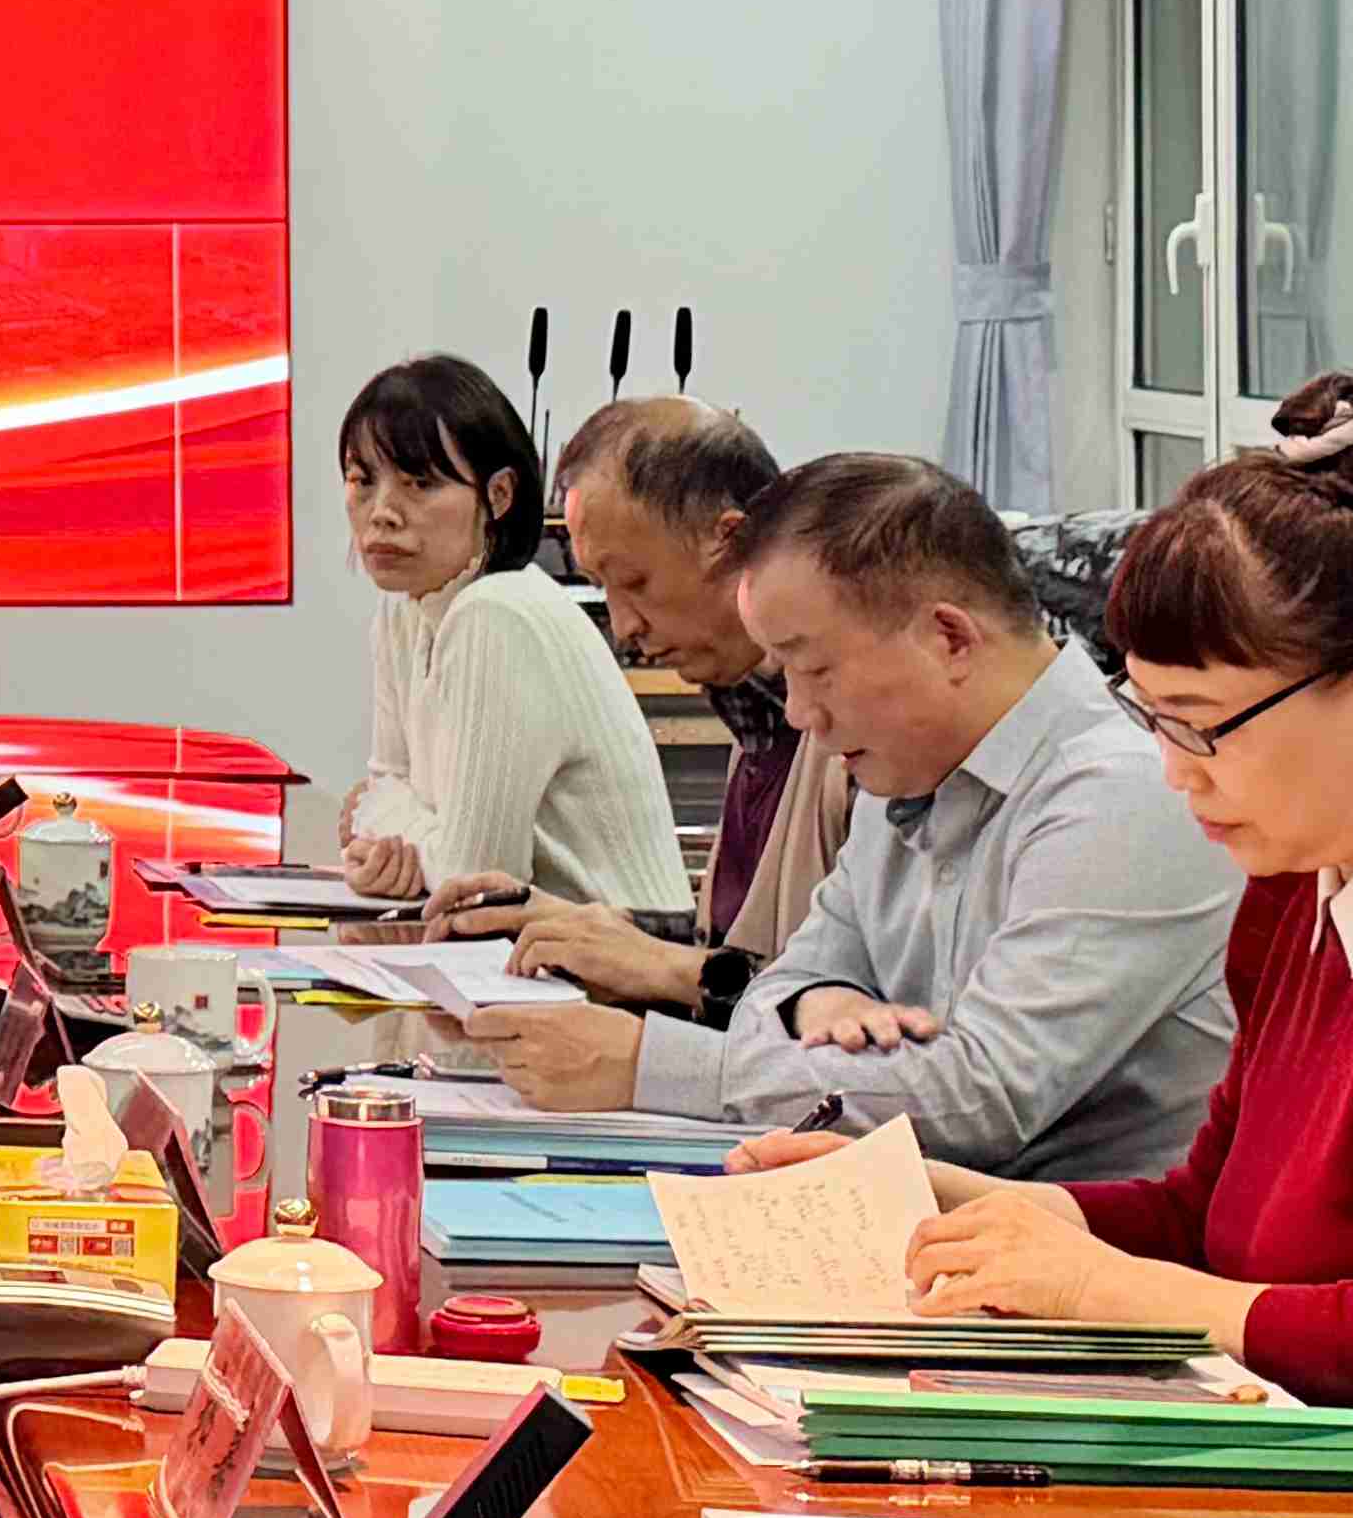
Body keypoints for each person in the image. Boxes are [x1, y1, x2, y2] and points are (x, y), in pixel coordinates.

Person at [724, 380, 1353, 1438]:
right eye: (1152, 720)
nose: (1173, 771)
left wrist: (1095, 1285)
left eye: (1200, 726)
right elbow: (1203, 1217)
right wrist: (926, 1196)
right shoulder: (1301, 888)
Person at [465, 450, 1236, 1180]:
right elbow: (777, 988)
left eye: (816, 670)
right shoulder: (905, 774)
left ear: (949, 638)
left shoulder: (1122, 794)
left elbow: (982, 1096)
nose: (799, 714)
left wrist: (648, 1065)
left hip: (1084, 1254)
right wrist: (819, 1000)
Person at [434, 398, 853, 1026]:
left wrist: (661, 966)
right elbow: (740, 950)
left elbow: (861, 1011)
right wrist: (589, 930)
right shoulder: (754, 715)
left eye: (635, 582)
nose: (624, 626)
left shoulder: (858, 738)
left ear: (732, 539)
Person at [326, 352, 690, 914]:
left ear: (498, 495)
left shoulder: (498, 613)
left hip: (624, 953)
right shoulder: (403, 612)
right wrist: (396, 827)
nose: (382, 513)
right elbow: (385, 784)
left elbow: (475, 879)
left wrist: (381, 822)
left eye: (420, 483)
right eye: (362, 480)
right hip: (523, 948)